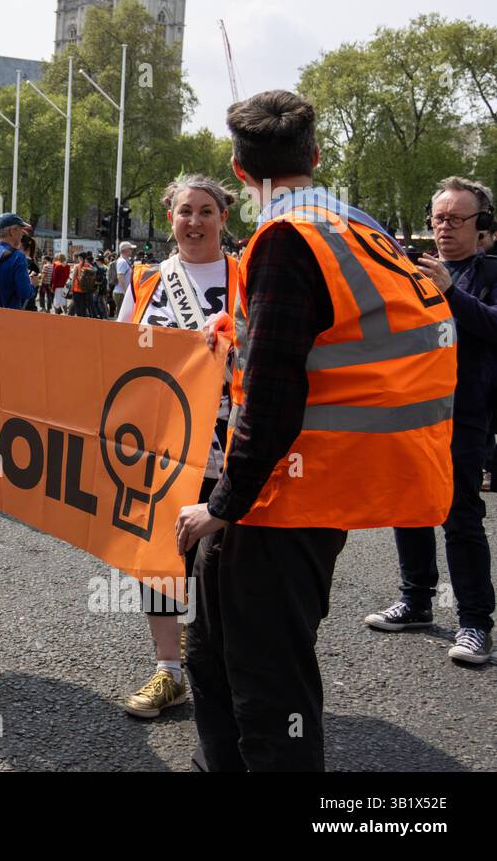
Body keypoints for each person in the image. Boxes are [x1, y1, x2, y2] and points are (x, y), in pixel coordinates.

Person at [175, 89, 455, 771]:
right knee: (213, 657)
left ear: (239, 173)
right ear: (317, 157)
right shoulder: (354, 229)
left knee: (272, 697)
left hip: (281, 497)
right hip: (317, 486)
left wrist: (221, 504)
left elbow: (273, 393)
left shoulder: (285, 239)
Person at [117, 175, 239, 718]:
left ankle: (227, 671)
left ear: (223, 219)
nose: (194, 222)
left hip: (231, 439)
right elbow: (118, 352)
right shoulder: (146, 280)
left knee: (227, 561)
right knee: (161, 557)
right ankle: (170, 669)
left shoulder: (247, 274)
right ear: (170, 217)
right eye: (185, 211)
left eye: (206, 211)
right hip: (160, 441)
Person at [364, 176, 496, 664]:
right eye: (439, 218)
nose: (445, 227)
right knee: (408, 505)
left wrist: (451, 294)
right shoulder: (410, 270)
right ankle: (417, 599)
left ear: (482, 225)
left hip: (465, 412)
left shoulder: (489, 271)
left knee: (460, 515)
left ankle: (475, 622)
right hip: (410, 410)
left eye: (457, 218)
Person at [0, 214, 37, 309]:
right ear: (12, 231)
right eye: (21, 229)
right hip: (7, 315)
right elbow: (24, 292)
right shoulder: (18, 257)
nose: (22, 233)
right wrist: (33, 285)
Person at [113, 241, 136, 314]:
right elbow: (120, 276)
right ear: (126, 250)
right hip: (121, 293)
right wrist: (126, 292)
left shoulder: (125, 261)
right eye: (130, 249)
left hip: (121, 292)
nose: (132, 251)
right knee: (122, 315)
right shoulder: (122, 261)